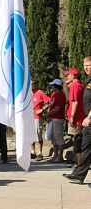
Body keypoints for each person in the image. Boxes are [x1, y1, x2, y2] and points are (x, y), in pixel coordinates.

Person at [63, 57, 91, 185]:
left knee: (84, 147)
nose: (86, 67)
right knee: (85, 148)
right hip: (87, 122)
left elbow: (76, 102)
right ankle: (79, 175)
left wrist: (88, 117)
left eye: (88, 65)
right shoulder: (87, 81)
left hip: (88, 120)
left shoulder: (77, 85)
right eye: (84, 65)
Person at [65, 68, 85, 167]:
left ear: (73, 76)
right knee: (80, 139)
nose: (67, 77)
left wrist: (72, 116)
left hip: (76, 118)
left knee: (76, 139)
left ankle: (78, 162)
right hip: (83, 117)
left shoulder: (74, 86)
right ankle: (78, 160)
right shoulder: (82, 85)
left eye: (69, 75)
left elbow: (75, 102)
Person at [43, 79, 66, 163]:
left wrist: (48, 114)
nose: (51, 87)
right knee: (53, 137)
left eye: (53, 85)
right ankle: (55, 155)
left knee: (58, 136)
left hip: (58, 118)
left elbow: (57, 108)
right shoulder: (54, 94)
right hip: (52, 118)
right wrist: (48, 115)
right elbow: (51, 105)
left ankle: (60, 156)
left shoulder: (61, 95)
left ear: (56, 86)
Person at [31, 80, 50, 161]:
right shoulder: (26, 93)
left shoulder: (40, 92)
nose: (32, 86)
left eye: (33, 84)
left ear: (36, 84)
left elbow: (49, 102)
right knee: (30, 135)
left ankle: (40, 153)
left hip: (37, 117)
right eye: (31, 84)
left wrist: (41, 110)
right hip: (28, 117)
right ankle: (32, 152)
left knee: (38, 135)